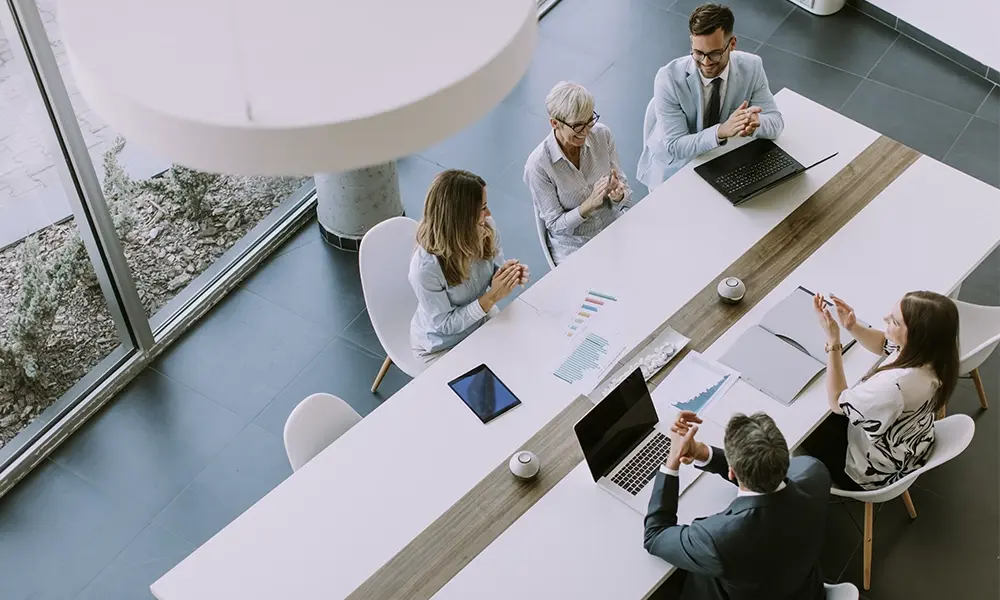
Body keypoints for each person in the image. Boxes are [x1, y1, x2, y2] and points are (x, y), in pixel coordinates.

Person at [644, 411, 829, 600]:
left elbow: (655, 535)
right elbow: (766, 473)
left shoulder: (716, 539)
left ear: (731, 472)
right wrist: (702, 453)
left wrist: (672, 462)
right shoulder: (814, 474)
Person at [803, 291, 959, 490]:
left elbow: (836, 401)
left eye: (894, 321)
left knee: (807, 423)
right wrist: (852, 326)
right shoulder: (936, 355)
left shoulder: (894, 386)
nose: (885, 318)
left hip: (871, 471)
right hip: (910, 446)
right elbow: (884, 345)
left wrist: (834, 343)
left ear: (916, 335)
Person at [637, 3, 784, 190]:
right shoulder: (668, 79)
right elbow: (675, 145)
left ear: (732, 44)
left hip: (724, 161)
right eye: (698, 53)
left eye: (714, 54)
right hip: (677, 168)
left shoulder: (752, 67)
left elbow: (776, 123)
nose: (706, 63)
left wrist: (755, 123)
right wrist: (721, 131)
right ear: (692, 42)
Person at [409, 170, 529, 364]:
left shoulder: (485, 228)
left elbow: (491, 269)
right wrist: (492, 297)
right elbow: (445, 325)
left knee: (522, 359)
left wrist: (506, 274)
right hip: (442, 346)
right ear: (461, 218)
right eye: (483, 208)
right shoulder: (425, 269)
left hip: (480, 322)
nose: (488, 214)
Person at [524, 81, 632, 266]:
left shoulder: (602, 135)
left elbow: (625, 193)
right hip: (575, 247)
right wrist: (588, 205)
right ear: (555, 123)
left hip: (613, 228)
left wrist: (618, 194)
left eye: (590, 120)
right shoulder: (539, 166)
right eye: (578, 126)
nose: (586, 131)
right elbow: (555, 225)